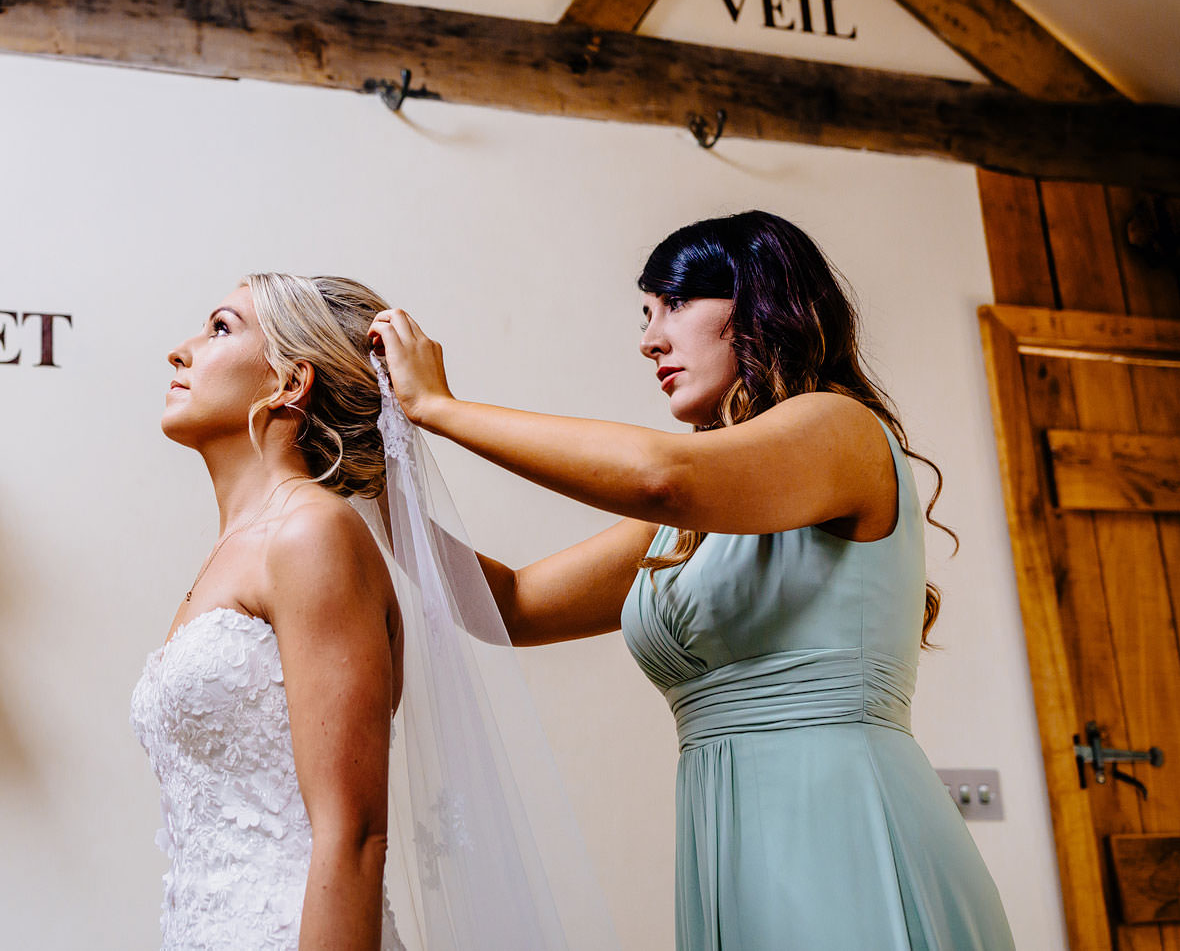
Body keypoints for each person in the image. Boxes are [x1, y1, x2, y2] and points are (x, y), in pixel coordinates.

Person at [370, 210, 1015, 950]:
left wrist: (440, 409)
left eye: (673, 304)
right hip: (728, 845)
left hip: (846, 826)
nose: (649, 339)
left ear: (760, 299)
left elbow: (659, 476)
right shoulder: (692, 519)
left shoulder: (839, 429)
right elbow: (511, 605)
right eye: (646, 314)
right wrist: (373, 478)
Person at [133, 273, 408, 951]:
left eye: (220, 327)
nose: (180, 350)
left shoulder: (312, 534)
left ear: (290, 383)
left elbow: (354, 834)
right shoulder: (233, 551)